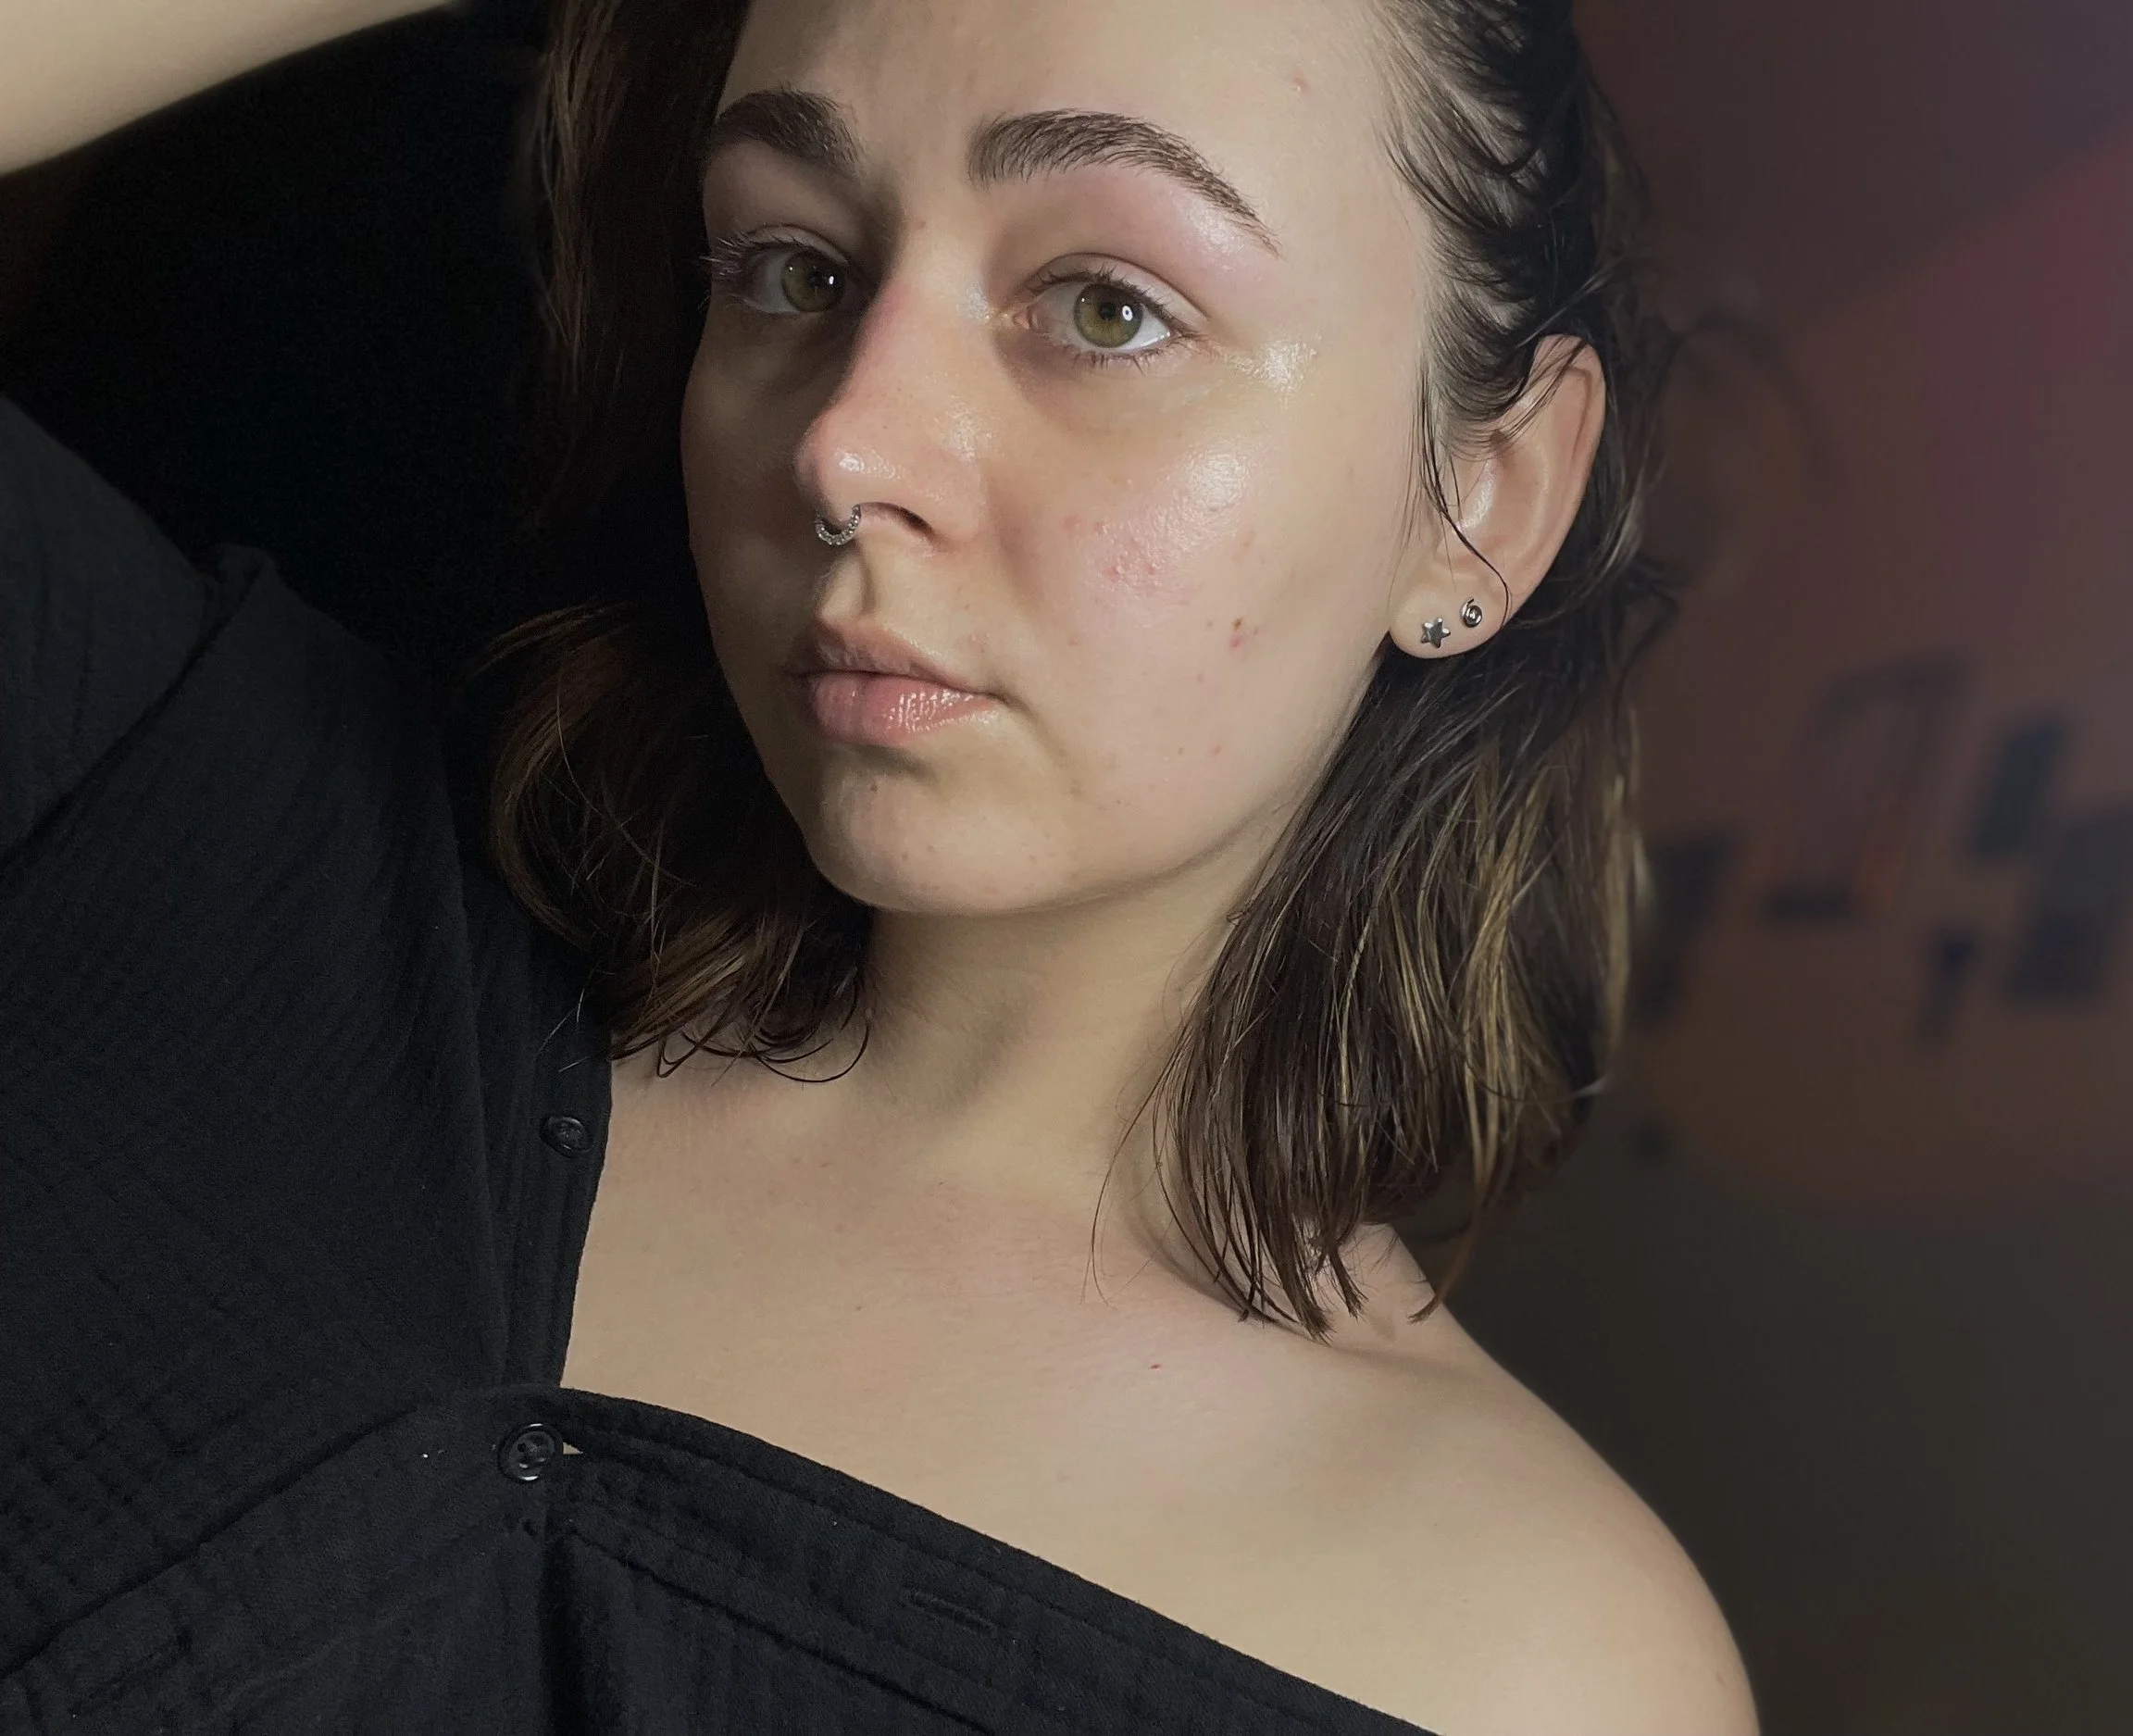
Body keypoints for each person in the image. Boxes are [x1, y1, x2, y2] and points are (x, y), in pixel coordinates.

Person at [0, 1, 1756, 1730]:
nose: (844, 446)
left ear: (1486, 496)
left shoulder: (1518, 1659)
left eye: (1105, 306)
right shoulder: (203, 829)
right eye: (791, 267)